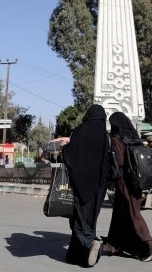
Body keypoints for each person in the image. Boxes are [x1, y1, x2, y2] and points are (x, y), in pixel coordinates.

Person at [102, 111, 152, 262]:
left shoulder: (116, 140)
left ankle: (150, 246)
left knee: (133, 214)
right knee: (119, 213)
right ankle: (113, 244)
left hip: (124, 181)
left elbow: (119, 162)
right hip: (138, 182)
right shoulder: (135, 138)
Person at [62, 104, 110, 267]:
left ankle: (90, 241)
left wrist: (64, 148)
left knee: (79, 218)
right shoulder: (105, 136)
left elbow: (69, 155)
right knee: (90, 219)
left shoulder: (81, 131)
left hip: (81, 184)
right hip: (98, 187)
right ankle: (80, 256)